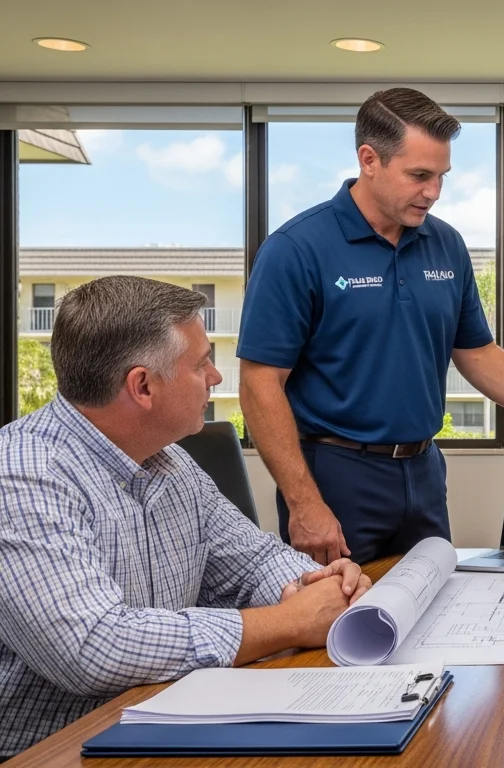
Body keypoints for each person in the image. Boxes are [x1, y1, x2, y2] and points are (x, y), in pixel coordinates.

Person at [238, 88, 504, 566]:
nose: (434, 192)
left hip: (423, 470)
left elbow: (477, 352)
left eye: (441, 176)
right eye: (419, 175)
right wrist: (303, 503)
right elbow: (260, 383)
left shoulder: (446, 244)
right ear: (369, 159)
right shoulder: (296, 248)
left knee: (432, 616)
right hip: (336, 474)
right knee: (338, 630)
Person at [0, 277, 370, 759]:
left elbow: (252, 560)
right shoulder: (23, 473)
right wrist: (289, 621)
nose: (216, 378)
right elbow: (92, 647)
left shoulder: (170, 461)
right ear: (143, 386)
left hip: (166, 717)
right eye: (201, 364)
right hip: (57, 749)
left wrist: (315, 586)